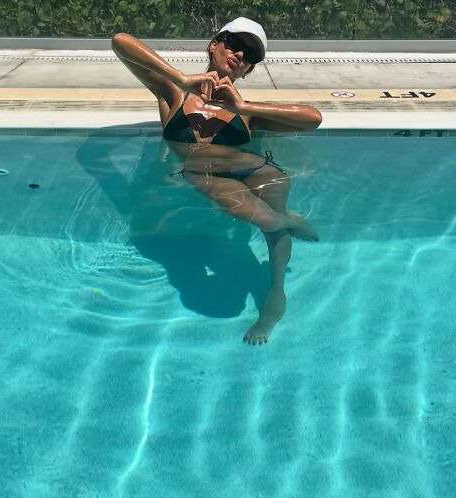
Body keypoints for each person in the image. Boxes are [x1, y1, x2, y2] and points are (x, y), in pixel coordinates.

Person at [111, 18, 322, 344]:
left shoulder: (246, 111)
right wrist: (181, 77)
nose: (240, 54)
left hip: (256, 168)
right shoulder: (174, 92)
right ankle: (287, 223)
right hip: (203, 172)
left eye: (249, 55)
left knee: (272, 214)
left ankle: (275, 297)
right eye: (234, 43)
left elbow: (314, 119)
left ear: (248, 70)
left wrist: (243, 105)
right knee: (270, 220)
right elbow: (121, 41)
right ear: (214, 43)